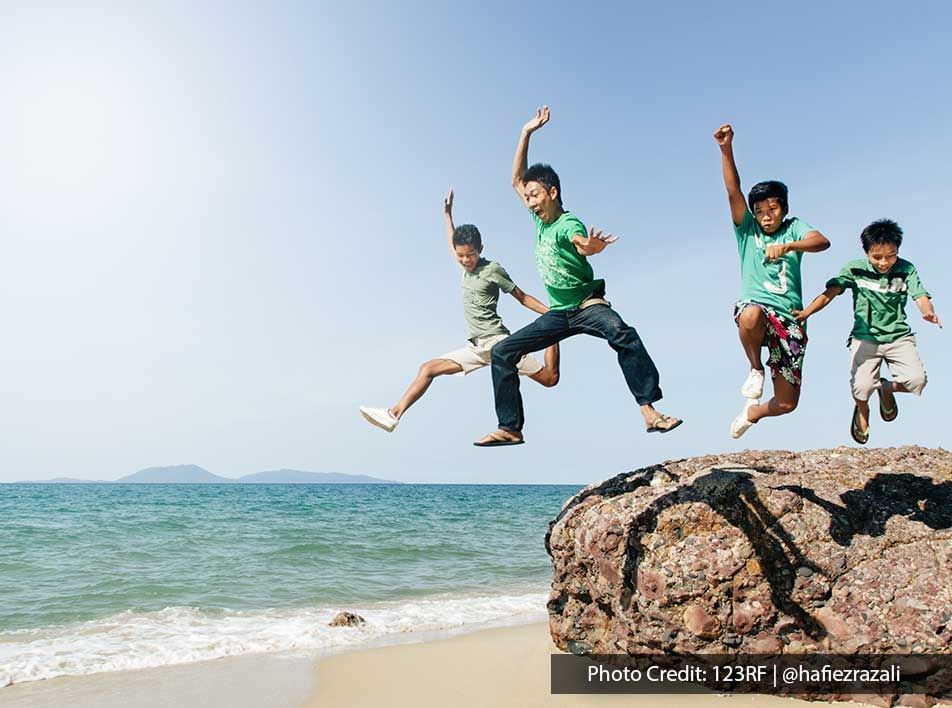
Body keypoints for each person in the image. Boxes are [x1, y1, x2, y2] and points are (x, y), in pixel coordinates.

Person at [473, 106, 681, 447]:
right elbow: (515, 179)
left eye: (535, 195)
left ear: (552, 192)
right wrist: (526, 133)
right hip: (559, 315)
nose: (530, 202)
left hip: (587, 306)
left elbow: (582, 245)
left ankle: (649, 411)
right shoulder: (538, 219)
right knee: (503, 353)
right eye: (527, 198)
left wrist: (592, 246)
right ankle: (510, 427)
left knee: (623, 334)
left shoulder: (568, 223)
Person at [359, 189, 560, 433]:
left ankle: (554, 333)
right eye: (461, 256)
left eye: (471, 255)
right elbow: (451, 239)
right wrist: (447, 215)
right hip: (476, 348)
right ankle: (393, 414)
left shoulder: (492, 269)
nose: (466, 260)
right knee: (428, 368)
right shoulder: (463, 265)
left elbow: (521, 297)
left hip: (499, 344)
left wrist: (551, 313)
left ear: (481, 249)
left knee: (550, 379)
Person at [714, 123, 831, 439]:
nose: (766, 215)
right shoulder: (747, 231)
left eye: (773, 209)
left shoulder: (794, 229)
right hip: (757, 309)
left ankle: (752, 412)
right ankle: (755, 368)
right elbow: (733, 191)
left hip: (790, 318)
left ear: (784, 209)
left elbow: (822, 241)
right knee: (751, 313)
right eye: (760, 210)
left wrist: (790, 245)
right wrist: (726, 149)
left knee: (787, 403)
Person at [793, 218, 940, 444]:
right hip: (865, 337)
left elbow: (920, 296)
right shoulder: (854, 269)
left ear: (898, 250)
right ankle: (863, 411)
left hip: (898, 337)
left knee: (917, 381)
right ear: (866, 252)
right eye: (877, 257)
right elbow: (830, 293)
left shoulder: (906, 269)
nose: (884, 263)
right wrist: (806, 313)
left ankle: (886, 389)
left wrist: (927, 312)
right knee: (861, 387)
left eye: (891, 256)